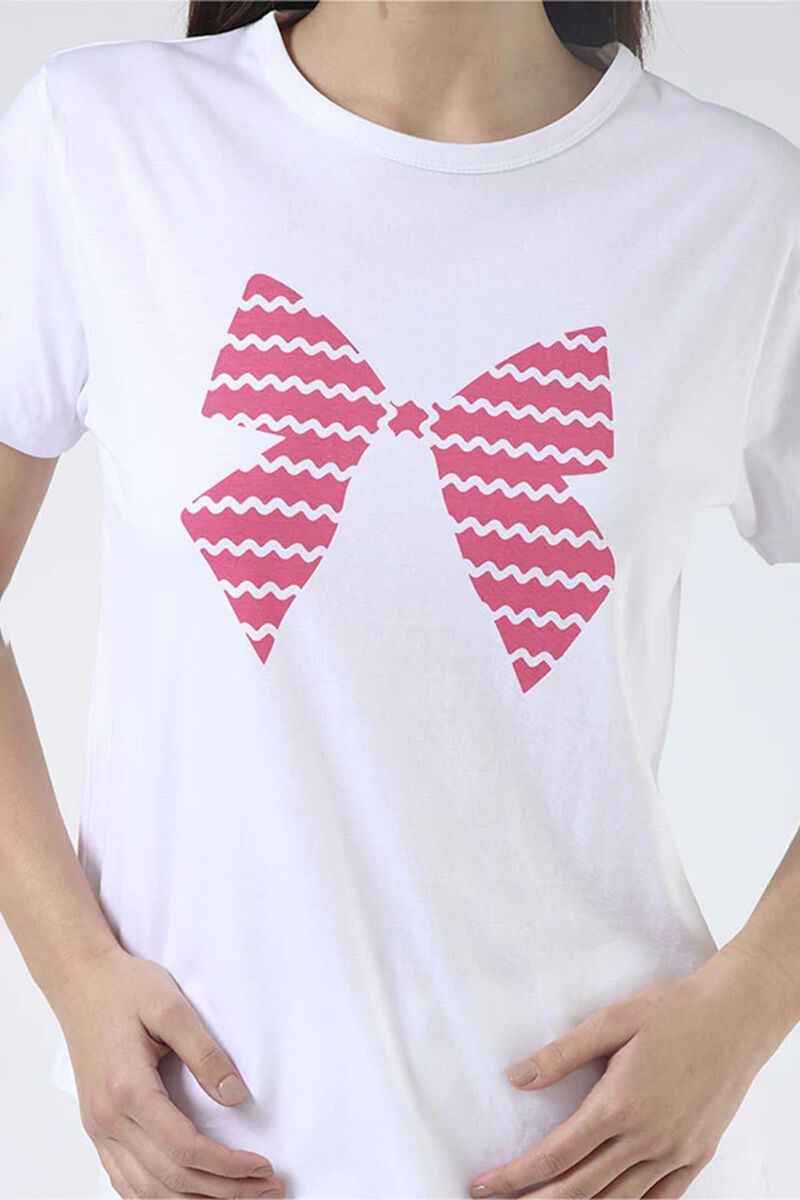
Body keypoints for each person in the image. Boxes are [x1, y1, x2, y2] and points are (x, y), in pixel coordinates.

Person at [0, 2, 798, 1197]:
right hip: (206, 1145)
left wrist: (750, 1001)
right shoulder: (103, 135)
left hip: (588, 1153)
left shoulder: (737, 208)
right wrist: (73, 975)